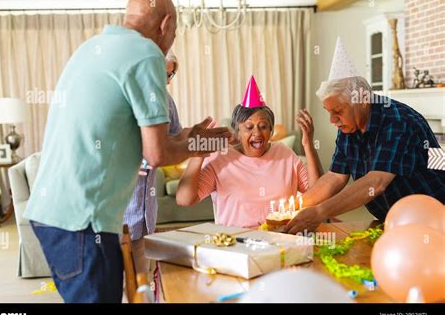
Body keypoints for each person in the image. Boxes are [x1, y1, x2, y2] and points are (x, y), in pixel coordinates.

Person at [23, 0, 230, 303]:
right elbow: (157, 154)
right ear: (166, 24)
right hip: (83, 220)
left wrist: (194, 139)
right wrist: (201, 145)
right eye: (176, 30)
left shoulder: (92, 47)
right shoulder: (147, 53)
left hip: (50, 214)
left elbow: (148, 139)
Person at [283, 37, 445, 235]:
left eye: (338, 111)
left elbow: (376, 182)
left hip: (433, 217)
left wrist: (319, 212)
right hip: (394, 219)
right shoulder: (349, 127)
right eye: (328, 112)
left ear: (362, 101)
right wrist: (295, 207)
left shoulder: (397, 120)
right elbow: (334, 177)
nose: (332, 120)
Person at [176, 75, 323, 228]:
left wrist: (308, 144)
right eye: (249, 127)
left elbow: (318, 193)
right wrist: (198, 154)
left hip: (280, 238)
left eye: (263, 126)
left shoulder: (285, 154)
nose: (257, 133)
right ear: (237, 131)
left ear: (271, 130)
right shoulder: (220, 159)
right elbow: (184, 199)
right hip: (235, 242)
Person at [124, 50, 185, 275]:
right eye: (162, 74)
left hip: (145, 207)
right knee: (116, 278)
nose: (166, 82)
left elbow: (176, 136)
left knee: (141, 275)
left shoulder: (167, 101)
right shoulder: (128, 97)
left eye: (170, 76)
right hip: (120, 206)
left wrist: (198, 139)